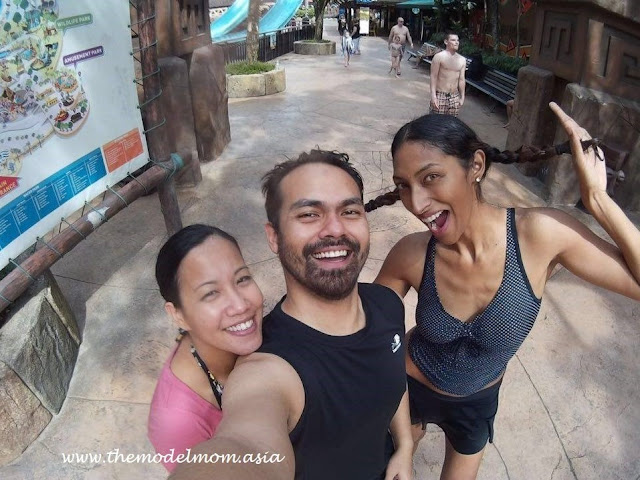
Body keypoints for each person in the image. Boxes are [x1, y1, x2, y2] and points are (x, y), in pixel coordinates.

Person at [365, 103, 640, 480]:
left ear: (475, 166)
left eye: (431, 177)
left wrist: (598, 201)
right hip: (409, 387)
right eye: (404, 186)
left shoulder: (538, 236)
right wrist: (401, 439)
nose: (416, 203)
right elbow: (371, 337)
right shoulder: (411, 254)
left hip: (476, 402)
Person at [171, 150, 413, 479]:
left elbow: (393, 377)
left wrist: (405, 445)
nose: (335, 229)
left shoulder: (387, 304)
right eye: (309, 214)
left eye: (350, 211)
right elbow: (245, 443)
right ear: (274, 237)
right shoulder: (267, 370)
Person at [148, 224, 264, 472]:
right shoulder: (178, 422)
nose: (240, 305)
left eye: (242, 279)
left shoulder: (257, 337)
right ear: (178, 315)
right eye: (211, 293)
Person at [429, 32, 466, 117]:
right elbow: (433, 76)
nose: (456, 42)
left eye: (457, 40)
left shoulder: (462, 60)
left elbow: (461, 79)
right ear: (446, 42)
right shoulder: (439, 57)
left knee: (451, 122)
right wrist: (433, 96)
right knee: (436, 121)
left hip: (454, 96)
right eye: (453, 40)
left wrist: (462, 97)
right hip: (440, 95)